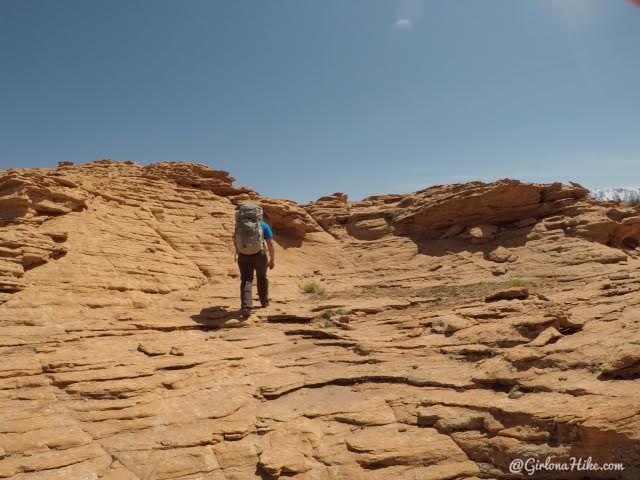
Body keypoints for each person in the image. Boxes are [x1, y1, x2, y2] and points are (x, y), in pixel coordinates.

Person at [234, 204, 275, 317]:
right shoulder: (264, 226)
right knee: (262, 277)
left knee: (246, 280)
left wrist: (240, 254)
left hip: (243, 255)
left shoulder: (239, 225)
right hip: (260, 255)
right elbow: (270, 244)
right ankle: (264, 302)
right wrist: (272, 259)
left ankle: (246, 307)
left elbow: (235, 240)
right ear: (258, 214)